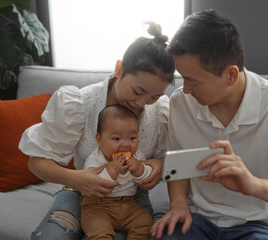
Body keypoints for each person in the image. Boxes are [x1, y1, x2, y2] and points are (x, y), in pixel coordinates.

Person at [150, 10, 268, 240]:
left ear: (231, 76)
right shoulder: (181, 102)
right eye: (182, 78)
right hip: (198, 220)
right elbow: (179, 165)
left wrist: (253, 185)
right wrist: (178, 204)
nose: (185, 89)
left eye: (193, 81)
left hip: (260, 224)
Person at [19, 21, 175, 240]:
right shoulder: (79, 103)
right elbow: (35, 163)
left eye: (154, 96)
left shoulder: (160, 113)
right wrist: (78, 179)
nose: (142, 103)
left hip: (131, 198)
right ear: (119, 69)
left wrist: (159, 163)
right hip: (79, 191)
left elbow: (177, 159)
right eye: (137, 91)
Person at [81, 104, 153, 239]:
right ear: (99, 140)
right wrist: (112, 170)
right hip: (98, 206)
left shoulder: (137, 156)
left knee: (146, 223)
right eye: (116, 139)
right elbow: (93, 186)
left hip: (129, 205)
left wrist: (139, 169)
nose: (125, 144)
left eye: (132, 138)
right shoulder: (95, 159)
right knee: (99, 232)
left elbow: (146, 179)